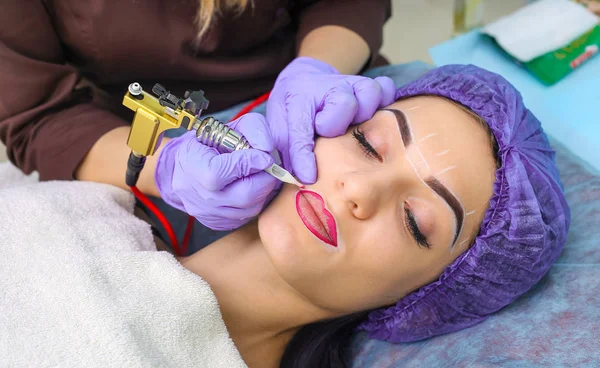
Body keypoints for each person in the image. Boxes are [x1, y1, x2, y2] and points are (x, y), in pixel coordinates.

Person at [0, 65, 570, 368]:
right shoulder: (91, 209)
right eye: (369, 142)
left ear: (420, 301)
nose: (358, 192)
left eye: (415, 222)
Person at [0, 0, 395, 234]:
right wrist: (165, 169)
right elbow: (40, 115)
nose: (358, 192)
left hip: (324, 79)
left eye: (369, 146)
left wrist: (315, 69)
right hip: (151, 143)